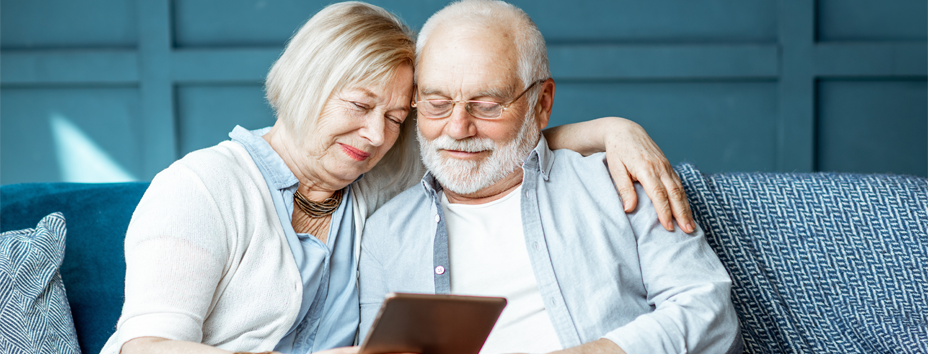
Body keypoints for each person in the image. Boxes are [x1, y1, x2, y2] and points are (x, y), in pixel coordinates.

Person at [101, 2, 693, 354]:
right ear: (305, 85)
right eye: (358, 106)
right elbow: (145, 348)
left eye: (395, 117)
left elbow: (482, 144)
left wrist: (610, 130)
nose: (376, 135)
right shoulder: (202, 187)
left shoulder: (367, 182)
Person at [358, 1, 741, 353]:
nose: (458, 128)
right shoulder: (385, 234)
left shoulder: (620, 182)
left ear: (542, 104)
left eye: (488, 106)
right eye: (437, 104)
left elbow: (709, 313)